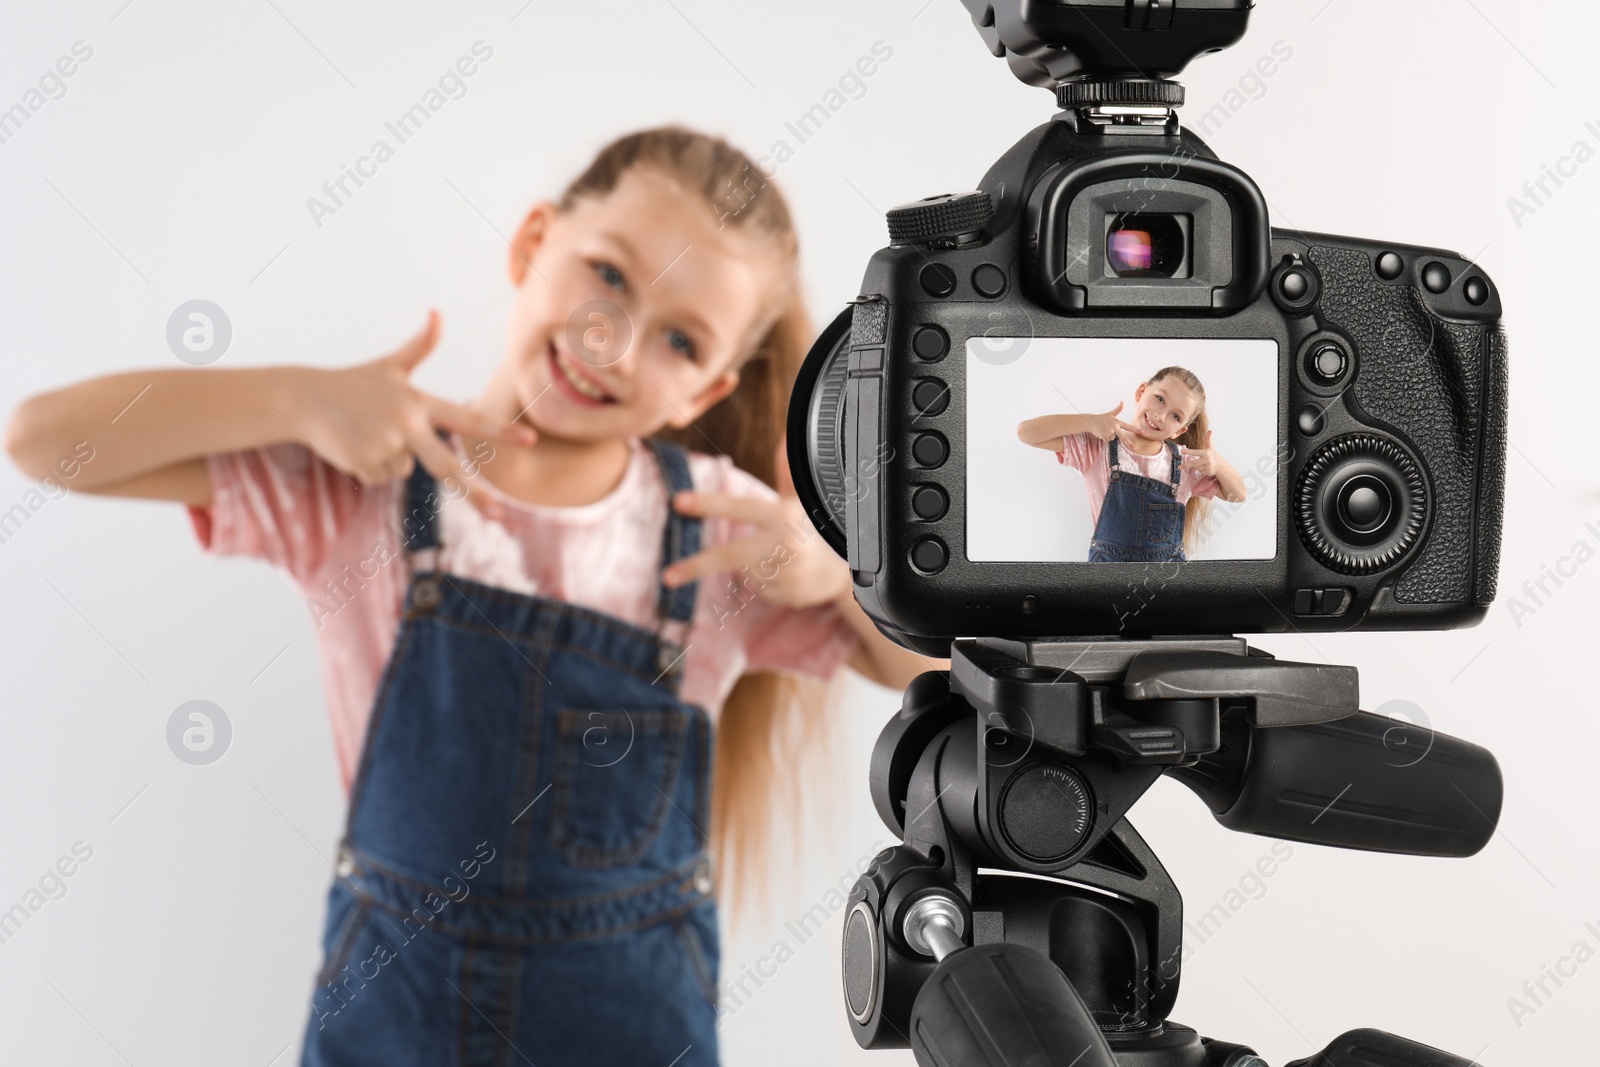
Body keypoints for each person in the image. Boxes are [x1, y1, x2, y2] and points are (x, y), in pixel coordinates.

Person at [4, 125, 940, 1065]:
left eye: (680, 339)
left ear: (709, 389)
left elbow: (932, 674)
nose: (612, 343)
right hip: (393, 1017)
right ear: (534, 242)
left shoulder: (723, 529)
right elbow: (43, 440)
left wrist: (835, 577)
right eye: (608, 274)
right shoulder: (364, 480)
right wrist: (297, 398)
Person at [1016, 365, 1246, 561]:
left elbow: (1238, 495)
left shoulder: (1185, 464)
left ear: (1181, 430)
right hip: (1107, 582)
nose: (1161, 415)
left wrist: (1219, 465)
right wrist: (1088, 422)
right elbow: (1026, 433)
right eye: (1160, 399)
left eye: (1175, 416)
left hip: (1165, 591)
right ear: (1141, 391)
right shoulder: (1098, 447)